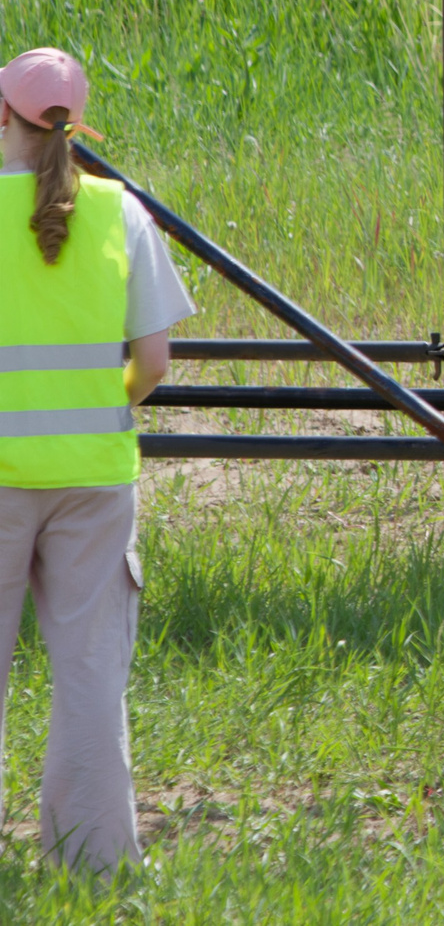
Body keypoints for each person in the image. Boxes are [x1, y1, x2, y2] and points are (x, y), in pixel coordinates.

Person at [0, 47, 193, 873]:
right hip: (94, 474)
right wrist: (103, 400)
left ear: (1, 115)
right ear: (77, 127)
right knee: (87, 677)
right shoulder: (122, 212)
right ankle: (93, 860)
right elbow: (152, 363)